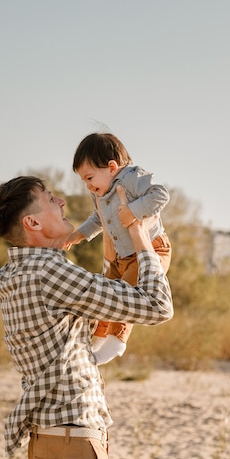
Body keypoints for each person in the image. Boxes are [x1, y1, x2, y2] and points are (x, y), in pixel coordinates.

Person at [0, 175, 173, 459]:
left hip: (51, 443)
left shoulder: (16, 272)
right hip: (71, 440)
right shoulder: (49, 272)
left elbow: (97, 309)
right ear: (32, 222)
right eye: (51, 199)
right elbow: (156, 307)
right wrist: (141, 239)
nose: (63, 200)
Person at [67, 132, 172, 365]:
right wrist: (79, 234)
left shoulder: (132, 179)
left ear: (112, 167)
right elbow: (98, 218)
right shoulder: (102, 195)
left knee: (125, 294)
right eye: (84, 181)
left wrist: (133, 210)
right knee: (107, 293)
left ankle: (117, 341)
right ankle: (99, 337)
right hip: (121, 257)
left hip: (150, 250)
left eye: (90, 178)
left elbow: (161, 194)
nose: (88, 186)